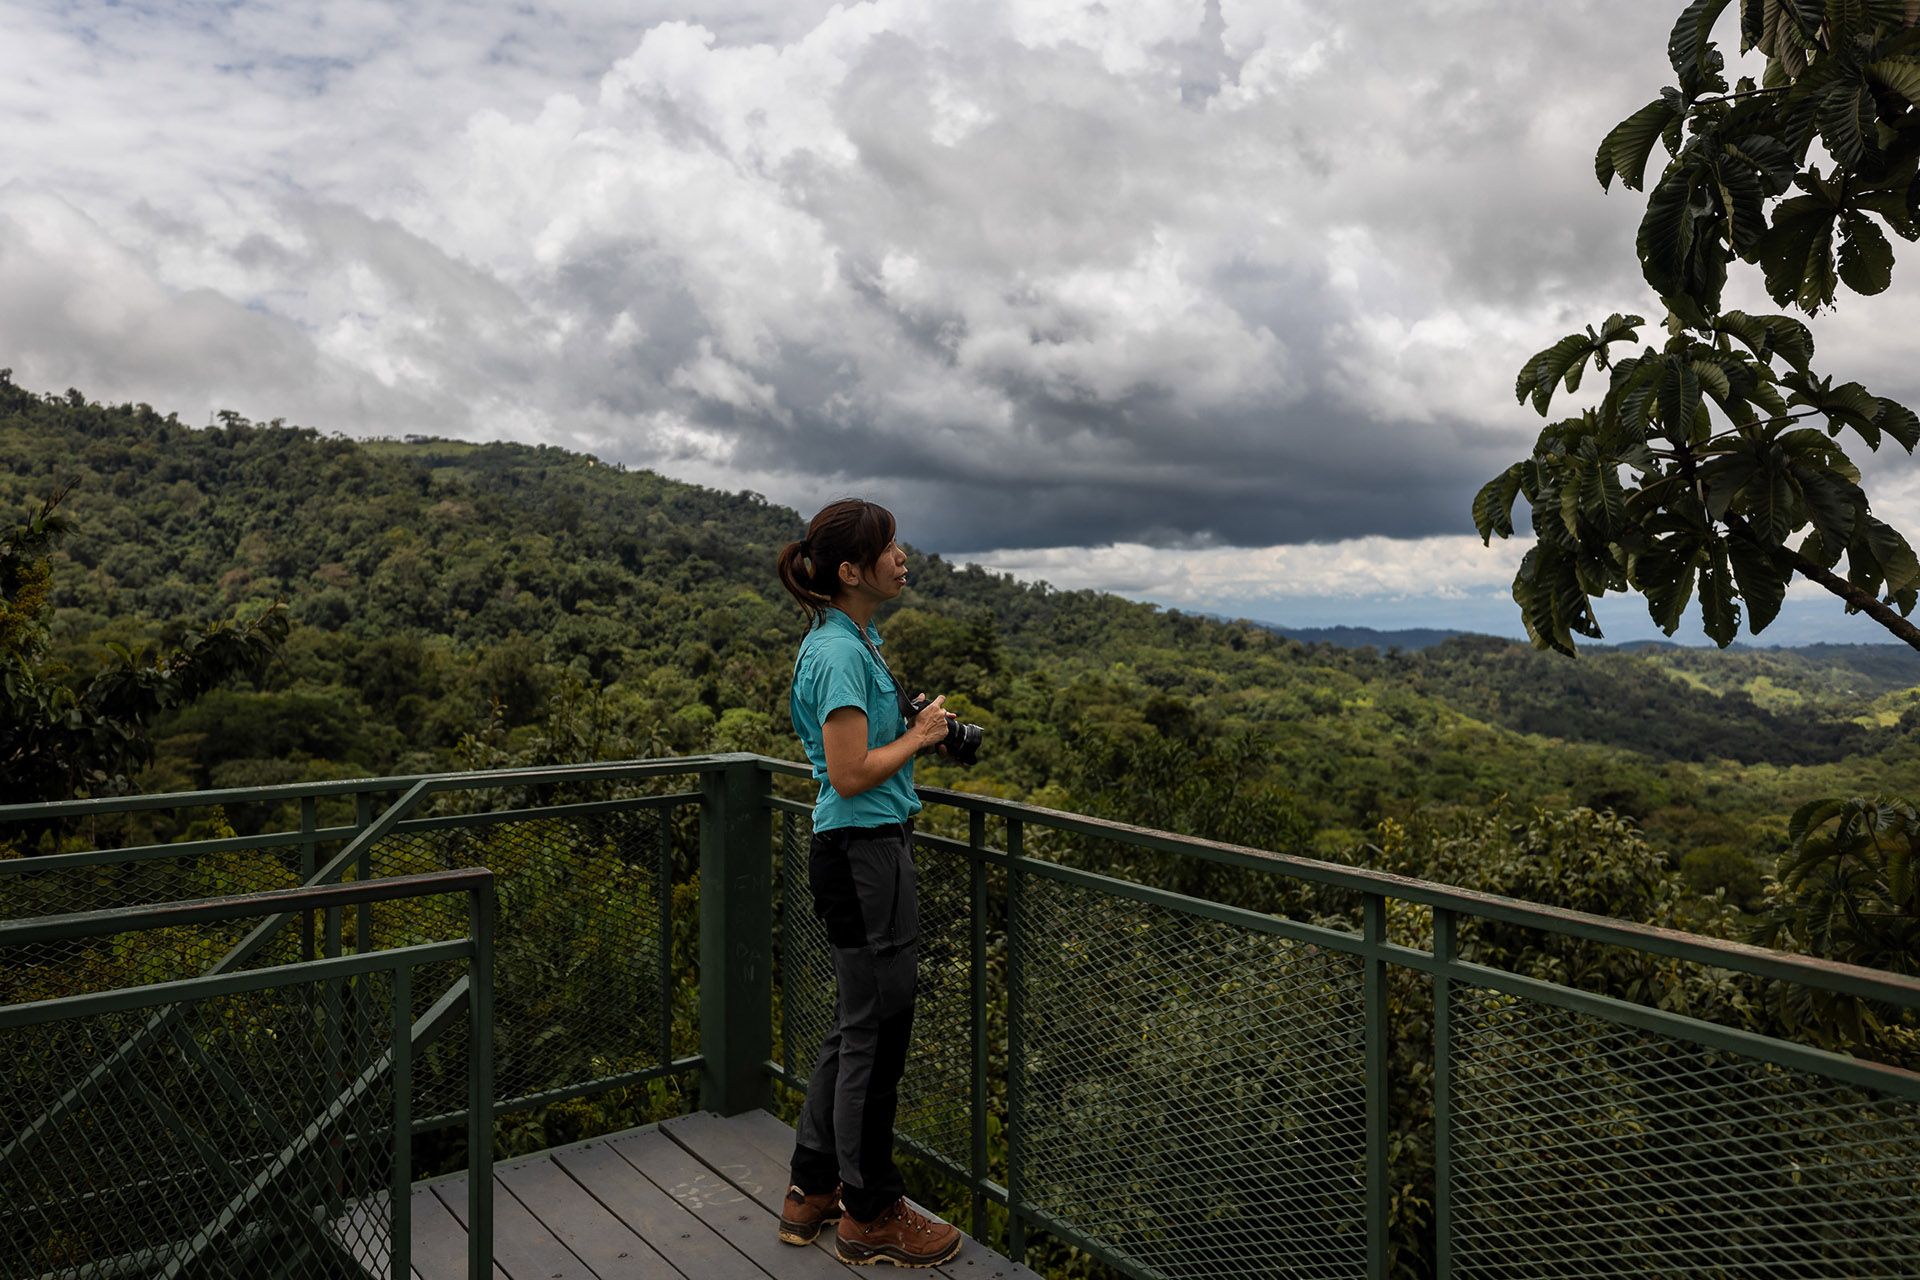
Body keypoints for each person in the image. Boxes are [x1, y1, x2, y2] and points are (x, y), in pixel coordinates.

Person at [772, 498, 964, 1268]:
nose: (902, 556)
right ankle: (872, 1212)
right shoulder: (841, 654)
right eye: (889, 547)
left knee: (856, 1027)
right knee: (878, 1036)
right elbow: (849, 775)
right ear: (851, 570)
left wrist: (909, 729)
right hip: (864, 854)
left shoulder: (849, 641)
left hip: (859, 851)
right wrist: (918, 738)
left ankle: (812, 1188)